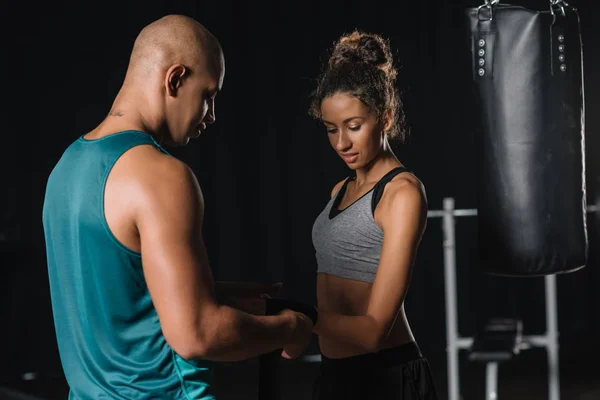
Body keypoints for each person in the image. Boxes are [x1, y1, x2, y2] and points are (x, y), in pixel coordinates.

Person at [42, 15, 313, 400]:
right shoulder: (161, 175)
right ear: (175, 79)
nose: (212, 114)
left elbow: (118, 293)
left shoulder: (65, 169)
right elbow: (197, 334)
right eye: (208, 95)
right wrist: (289, 328)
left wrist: (217, 293)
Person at [308, 31, 438, 399]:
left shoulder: (402, 194)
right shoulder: (339, 191)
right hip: (334, 374)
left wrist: (299, 321)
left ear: (385, 118)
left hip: (387, 377)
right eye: (331, 130)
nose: (341, 143)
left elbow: (373, 330)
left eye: (353, 126)